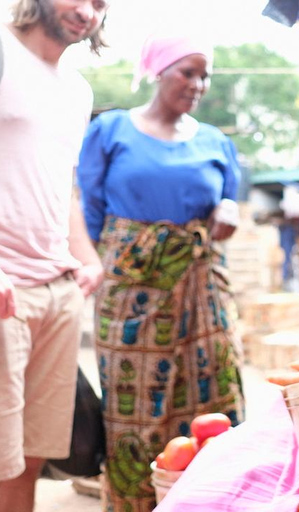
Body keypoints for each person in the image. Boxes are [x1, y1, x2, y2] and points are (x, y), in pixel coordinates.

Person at [76, 33, 245, 512]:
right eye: (187, 72)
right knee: (133, 410)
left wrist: (229, 211)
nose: (198, 83)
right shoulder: (110, 131)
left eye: (204, 74)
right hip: (130, 295)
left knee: (214, 400)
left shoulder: (215, 142)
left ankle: (214, 502)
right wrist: (95, 272)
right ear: (158, 70)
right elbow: (90, 213)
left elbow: (228, 202)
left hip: (202, 289)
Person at [0, 1, 107, 510]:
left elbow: (62, 187)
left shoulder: (78, 89)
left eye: (101, 3)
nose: (87, 11)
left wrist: (87, 258)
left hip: (58, 290)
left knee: (30, 458)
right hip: (5, 289)